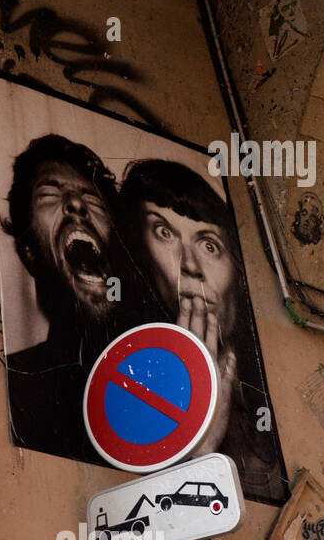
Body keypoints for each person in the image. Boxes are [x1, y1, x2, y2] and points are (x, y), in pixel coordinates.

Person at [116, 159, 277, 490]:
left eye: (208, 244)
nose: (190, 266)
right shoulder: (128, 393)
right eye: (164, 233)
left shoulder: (268, 387)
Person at [0, 134, 130, 462]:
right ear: (29, 253)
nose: (75, 203)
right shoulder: (13, 384)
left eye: (90, 195)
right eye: (50, 192)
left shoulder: (160, 373)